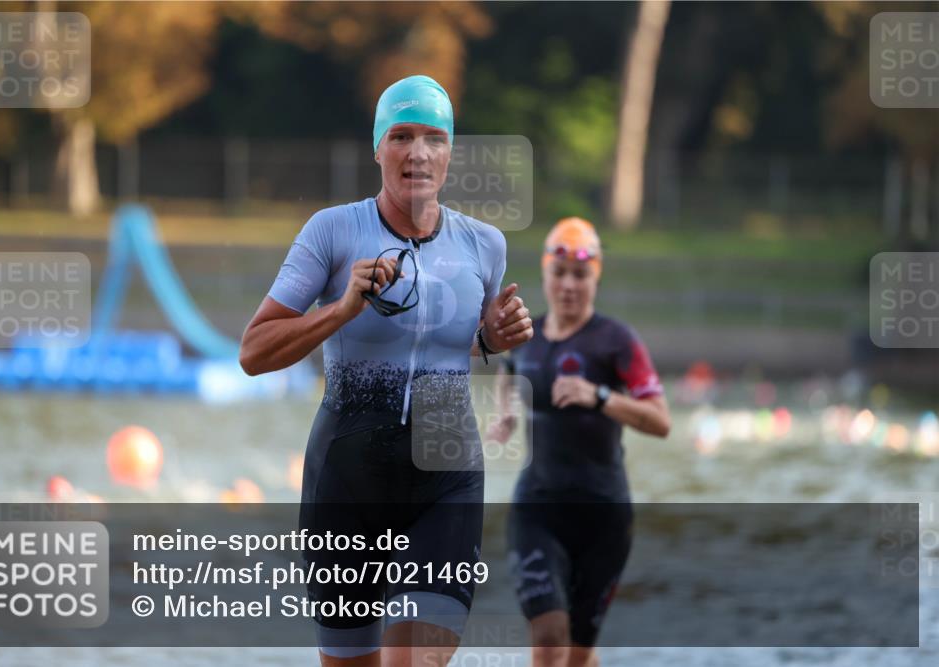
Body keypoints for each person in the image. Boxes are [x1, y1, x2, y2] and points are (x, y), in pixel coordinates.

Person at [240, 74, 534, 667]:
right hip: (346, 486)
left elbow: (451, 342)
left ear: (450, 152)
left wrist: (490, 338)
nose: (417, 153)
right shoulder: (332, 231)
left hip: (446, 481)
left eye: (434, 138)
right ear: (378, 148)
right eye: (401, 136)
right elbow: (254, 351)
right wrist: (341, 310)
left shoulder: (486, 244)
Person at [486, 217, 670, 667]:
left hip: (603, 517)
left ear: (596, 277)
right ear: (546, 275)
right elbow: (509, 373)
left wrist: (600, 395)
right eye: (559, 274)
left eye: (580, 276)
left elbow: (661, 421)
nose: (569, 285)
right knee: (549, 637)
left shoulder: (617, 341)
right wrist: (505, 412)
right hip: (538, 511)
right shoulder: (525, 336)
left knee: (578, 655)